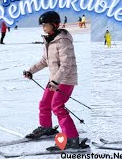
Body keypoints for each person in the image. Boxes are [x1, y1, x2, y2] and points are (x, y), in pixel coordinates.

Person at [23, 11, 80, 150]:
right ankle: (46, 127)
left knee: (57, 107)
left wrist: (56, 81)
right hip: (54, 79)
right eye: (42, 25)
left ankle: (72, 139)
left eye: (46, 25)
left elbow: (66, 65)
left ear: (54, 25)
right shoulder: (49, 40)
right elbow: (44, 61)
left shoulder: (63, 41)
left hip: (65, 80)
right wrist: (31, 71)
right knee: (44, 103)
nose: (43, 27)